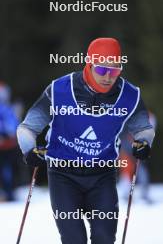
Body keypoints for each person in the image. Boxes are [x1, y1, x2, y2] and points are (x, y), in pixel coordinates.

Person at [17, 38, 155, 244]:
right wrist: (29, 150)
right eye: (101, 70)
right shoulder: (60, 90)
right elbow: (27, 128)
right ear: (89, 64)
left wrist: (144, 143)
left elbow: (144, 129)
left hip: (102, 176)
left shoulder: (129, 94)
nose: (108, 77)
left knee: (105, 237)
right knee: (74, 238)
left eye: (115, 70)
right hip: (63, 174)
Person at [0, 82, 19, 201]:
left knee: (8, 171)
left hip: (8, 146)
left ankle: (9, 194)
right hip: (6, 144)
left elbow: (13, 126)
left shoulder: (8, 108)